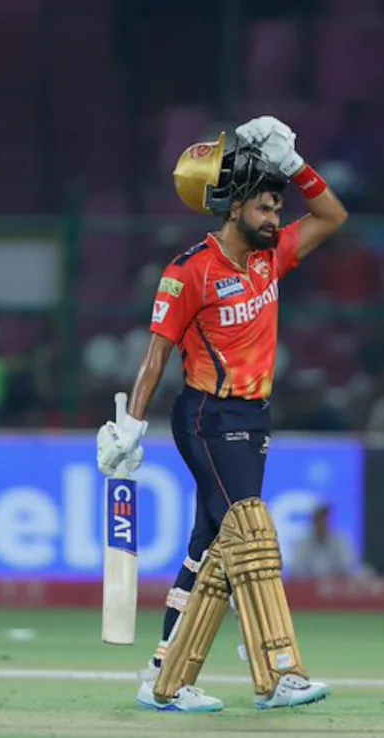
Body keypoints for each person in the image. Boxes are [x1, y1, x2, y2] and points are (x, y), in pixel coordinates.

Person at [96, 115, 348, 713]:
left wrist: (296, 167)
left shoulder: (270, 259)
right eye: (264, 208)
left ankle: (164, 676)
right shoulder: (189, 271)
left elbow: (333, 216)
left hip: (255, 419)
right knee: (250, 535)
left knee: (210, 549)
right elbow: (157, 353)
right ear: (234, 210)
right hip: (208, 417)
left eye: (278, 208)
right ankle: (277, 671)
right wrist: (130, 427)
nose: (275, 219)